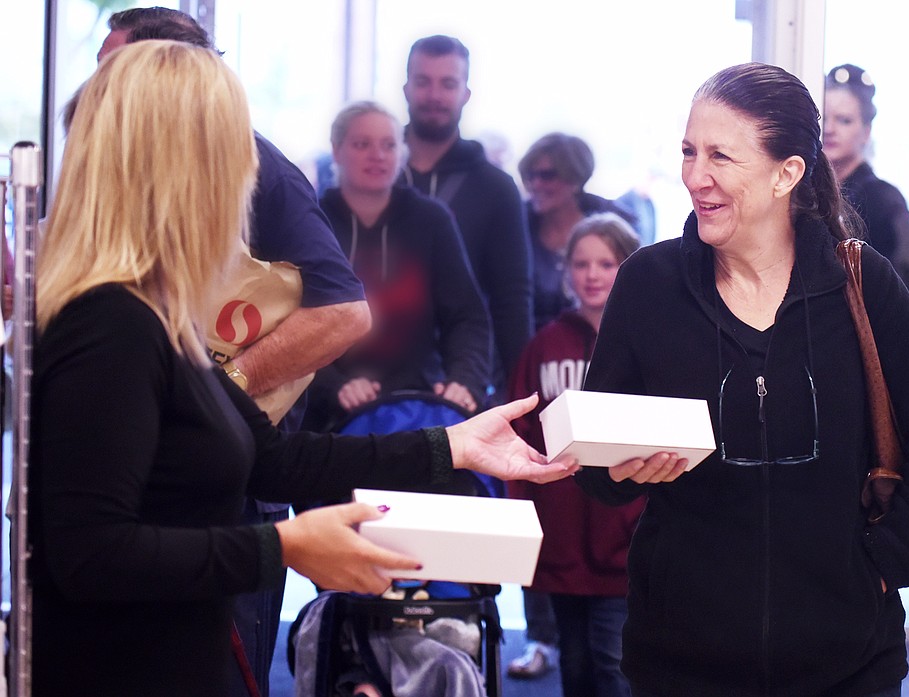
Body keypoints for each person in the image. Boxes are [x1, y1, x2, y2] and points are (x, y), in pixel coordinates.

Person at [29, 40, 576, 697]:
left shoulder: (159, 311)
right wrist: (283, 545)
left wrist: (452, 444)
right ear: (181, 168)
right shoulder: (111, 323)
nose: (249, 175)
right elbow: (88, 552)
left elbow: (277, 462)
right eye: (234, 150)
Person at [575, 62, 909, 697]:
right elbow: (595, 463)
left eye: (720, 157)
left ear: (786, 173)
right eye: (688, 152)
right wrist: (613, 469)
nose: (694, 177)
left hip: (847, 667)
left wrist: (882, 564)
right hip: (680, 666)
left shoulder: (861, 284)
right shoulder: (648, 286)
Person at [96, 10, 372, 696]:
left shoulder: (256, 169)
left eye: (112, 73)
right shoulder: (121, 182)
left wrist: (218, 395)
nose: (94, 95)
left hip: (231, 491)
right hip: (142, 500)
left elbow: (343, 313)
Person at [508, 213, 644, 697]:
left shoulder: (646, 342)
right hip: (560, 537)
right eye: (582, 263)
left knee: (614, 665)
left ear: (629, 267)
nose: (592, 274)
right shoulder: (544, 345)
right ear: (566, 270)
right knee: (576, 664)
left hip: (624, 540)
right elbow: (519, 434)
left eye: (607, 263)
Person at [308, 100, 490, 428]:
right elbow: (293, 321)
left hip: (420, 407)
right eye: (362, 144)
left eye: (389, 145)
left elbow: (466, 316)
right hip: (330, 416)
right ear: (336, 151)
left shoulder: (431, 220)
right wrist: (333, 385)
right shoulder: (312, 221)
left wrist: (464, 380)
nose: (377, 155)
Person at [398, 35, 532, 405]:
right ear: (406, 88)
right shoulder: (372, 177)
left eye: (448, 83)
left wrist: (519, 396)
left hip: (465, 381)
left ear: (466, 93)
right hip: (377, 379)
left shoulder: (496, 188)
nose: (435, 95)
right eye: (423, 81)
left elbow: (512, 300)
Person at [823, 63, 909, 309]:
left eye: (844, 120)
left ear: (866, 132)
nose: (829, 129)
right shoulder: (812, 193)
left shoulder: (881, 197)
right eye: (822, 118)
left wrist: (876, 322)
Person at [518, 133, 639, 330]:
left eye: (547, 175)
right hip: (534, 350)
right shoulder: (517, 226)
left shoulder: (617, 227)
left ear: (574, 178)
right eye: (531, 176)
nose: (536, 184)